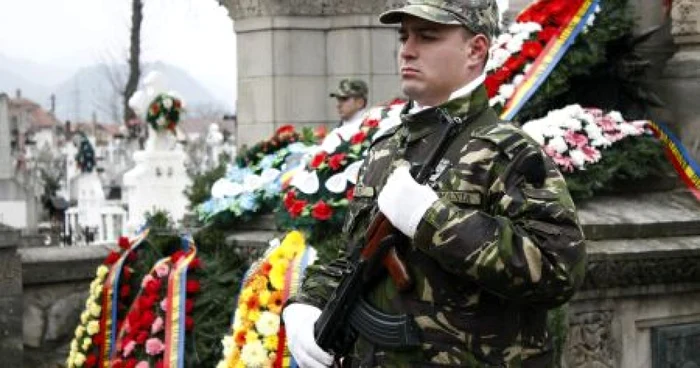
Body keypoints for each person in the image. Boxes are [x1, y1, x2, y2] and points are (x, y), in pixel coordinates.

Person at [283, 1, 587, 367]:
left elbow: (558, 271)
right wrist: (304, 305)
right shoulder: (386, 150)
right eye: (404, 36)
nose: (407, 50)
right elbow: (353, 256)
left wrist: (432, 218)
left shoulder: (508, 151)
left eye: (427, 37)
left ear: (475, 50)